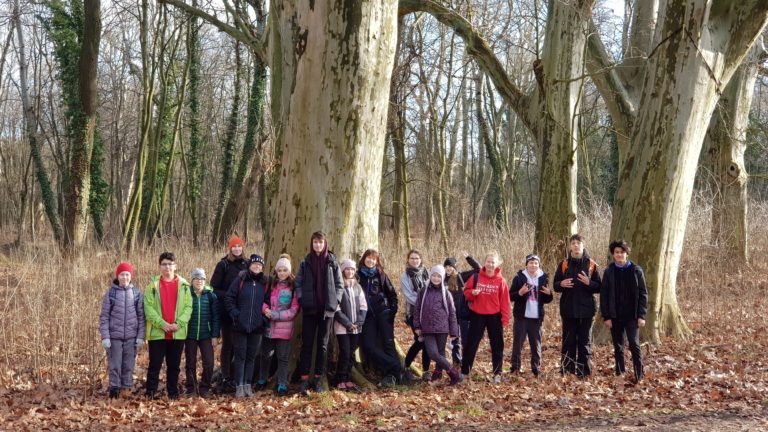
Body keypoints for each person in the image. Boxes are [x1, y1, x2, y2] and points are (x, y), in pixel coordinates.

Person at [295, 231, 343, 393]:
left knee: (322, 345)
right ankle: (304, 379)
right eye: (315, 242)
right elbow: (298, 283)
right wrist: (301, 299)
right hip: (309, 310)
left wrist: (336, 301)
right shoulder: (305, 262)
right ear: (312, 243)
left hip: (327, 311)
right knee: (307, 345)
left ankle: (317, 378)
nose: (318, 245)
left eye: (320, 242)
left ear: (325, 244)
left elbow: (339, 284)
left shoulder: (332, 262)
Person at [143, 252, 193, 399]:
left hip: (177, 333)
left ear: (175, 266)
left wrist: (178, 324)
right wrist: (162, 324)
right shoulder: (152, 286)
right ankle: (150, 393)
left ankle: (173, 393)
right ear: (159, 267)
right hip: (158, 332)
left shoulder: (184, 286)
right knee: (155, 365)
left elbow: (188, 308)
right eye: (164, 264)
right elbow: (148, 308)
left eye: (170, 264)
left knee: (174, 366)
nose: (167, 267)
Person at [553, 234, 602, 377]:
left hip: (587, 311)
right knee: (568, 342)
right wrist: (561, 284)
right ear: (570, 246)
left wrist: (589, 283)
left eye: (578, 243)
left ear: (583, 245)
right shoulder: (563, 264)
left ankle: (583, 373)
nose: (575, 245)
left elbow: (599, 287)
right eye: (573, 243)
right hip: (568, 310)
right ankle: (567, 372)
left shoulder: (592, 265)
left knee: (584, 343)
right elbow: (555, 285)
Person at [357, 249, 406, 386]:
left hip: (384, 313)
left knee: (388, 344)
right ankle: (396, 367)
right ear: (364, 259)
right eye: (368, 258)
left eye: (374, 259)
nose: (371, 261)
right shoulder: (357, 275)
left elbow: (392, 294)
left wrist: (392, 311)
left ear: (376, 261)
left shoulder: (381, 274)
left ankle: (392, 375)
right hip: (367, 317)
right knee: (368, 346)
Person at [601, 240, 648, 381]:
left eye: (622, 252)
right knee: (618, 346)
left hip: (632, 316)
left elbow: (643, 294)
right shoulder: (609, 271)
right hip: (615, 315)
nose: (619, 255)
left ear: (626, 253)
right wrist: (606, 316)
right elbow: (604, 295)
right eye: (616, 252)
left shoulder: (636, 270)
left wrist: (641, 315)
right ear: (613, 254)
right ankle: (620, 374)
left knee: (634, 344)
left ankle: (639, 374)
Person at [461, 252, 510, 384]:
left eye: (493, 262)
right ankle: (465, 372)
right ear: (485, 263)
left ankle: (497, 374)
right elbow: (466, 293)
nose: (490, 264)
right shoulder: (476, 277)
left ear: (497, 264)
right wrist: (472, 293)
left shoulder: (501, 281)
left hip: (495, 316)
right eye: (488, 262)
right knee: (471, 344)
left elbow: (505, 302)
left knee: (497, 346)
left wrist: (505, 319)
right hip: (477, 315)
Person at [99, 262, 145, 398]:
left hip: (131, 337)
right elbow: (104, 316)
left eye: (127, 274)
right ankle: (114, 389)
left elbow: (141, 316)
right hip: (114, 337)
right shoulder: (111, 293)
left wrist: (140, 336)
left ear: (131, 276)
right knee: (115, 365)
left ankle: (126, 388)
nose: (124, 277)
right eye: (122, 275)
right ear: (117, 276)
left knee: (128, 365)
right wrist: (105, 336)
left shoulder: (136, 293)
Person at [225, 254, 268, 397]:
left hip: (257, 327)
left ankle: (248, 384)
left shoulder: (265, 283)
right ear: (249, 265)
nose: (257, 267)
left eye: (260, 265)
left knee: (251, 357)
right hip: (240, 326)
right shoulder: (241, 280)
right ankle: (239, 385)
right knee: (240, 357)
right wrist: (235, 314)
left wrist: (263, 319)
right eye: (255, 264)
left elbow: (268, 302)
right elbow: (229, 298)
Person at [209, 234, 248, 392]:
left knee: (240, 346)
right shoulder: (223, 265)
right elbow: (214, 288)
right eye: (234, 247)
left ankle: (236, 375)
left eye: (239, 246)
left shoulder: (247, 264)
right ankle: (225, 376)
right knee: (228, 344)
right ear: (230, 248)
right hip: (226, 311)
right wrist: (230, 296)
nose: (237, 249)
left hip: (243, 311)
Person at [413, 265, 462, 385]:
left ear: (442, 277)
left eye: (438, 276)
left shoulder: (446, 293)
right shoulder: (423, 291)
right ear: (430, 276)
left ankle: (438, 374)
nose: (436, 278)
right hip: (427, 328)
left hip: (442, 328)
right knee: (433, 353)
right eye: (434, 275)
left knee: (440, 353)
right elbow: (417, 309)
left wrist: (454, 331)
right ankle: (454, 373)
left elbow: (452, 313)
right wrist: (417, 326)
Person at [258, 255, 299, 396]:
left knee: (283, 357)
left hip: (284, 329)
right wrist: (265, 310)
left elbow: (294, 310)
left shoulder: (293, 287)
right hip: (269, 328)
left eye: (284, 270)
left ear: (289, 271)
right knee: (265, 355)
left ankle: (282, 384)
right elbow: (262, 301)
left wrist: (276, 315)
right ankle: (262, 380)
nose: (282, 273)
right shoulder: (270, 285)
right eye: (279, 270)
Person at [509, 254, 553, 377]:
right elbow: (510, 296)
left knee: (536, 344)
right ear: (526, 264)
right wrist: (520, 292)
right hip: (521, 317)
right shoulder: (519, 278)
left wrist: (549, 294)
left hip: (536, 318)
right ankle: (515, 368)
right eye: (531, 263)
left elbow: (547, 299)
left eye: (535, 263)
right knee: (518, 344)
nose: (533, 265)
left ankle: (536, 369)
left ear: (538, 265)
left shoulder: (543, 278)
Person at [185, 268, 220, 397]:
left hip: (206, 334)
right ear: (192, 280)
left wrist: (215, 335)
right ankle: (191, 388)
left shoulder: (211, 295)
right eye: (197, 278)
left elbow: (216, 317)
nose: (199, 281)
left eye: (202, 279)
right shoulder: (186, 294)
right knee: (190, 362)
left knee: (209, 363)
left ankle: (205, 387)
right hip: (190, 335)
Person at [333, 258, 367, 391]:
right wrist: (348, 323)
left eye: (352, 269)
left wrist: (358, 322)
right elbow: (336, 308)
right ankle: (339, 379)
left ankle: (348, 378)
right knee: (345, 353)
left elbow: (363, 306)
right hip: (342, 328)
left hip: (356, 328)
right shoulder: (339, 287)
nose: (350, 271)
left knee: (352, 353)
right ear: (343, 270)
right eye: (347, 269)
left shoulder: (358, 287)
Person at [400, 249, 431, 381]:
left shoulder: (427, 273)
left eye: (417, 258)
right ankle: (406, 367)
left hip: (429, 314)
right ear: (408, 260)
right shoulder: (405, 276)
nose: (414, 260)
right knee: (420, 340)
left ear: (421, 259)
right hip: (414, 313)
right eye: (412, 258)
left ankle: (426, 371)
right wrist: (426, 302)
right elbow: (409, 296)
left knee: (427, 342)